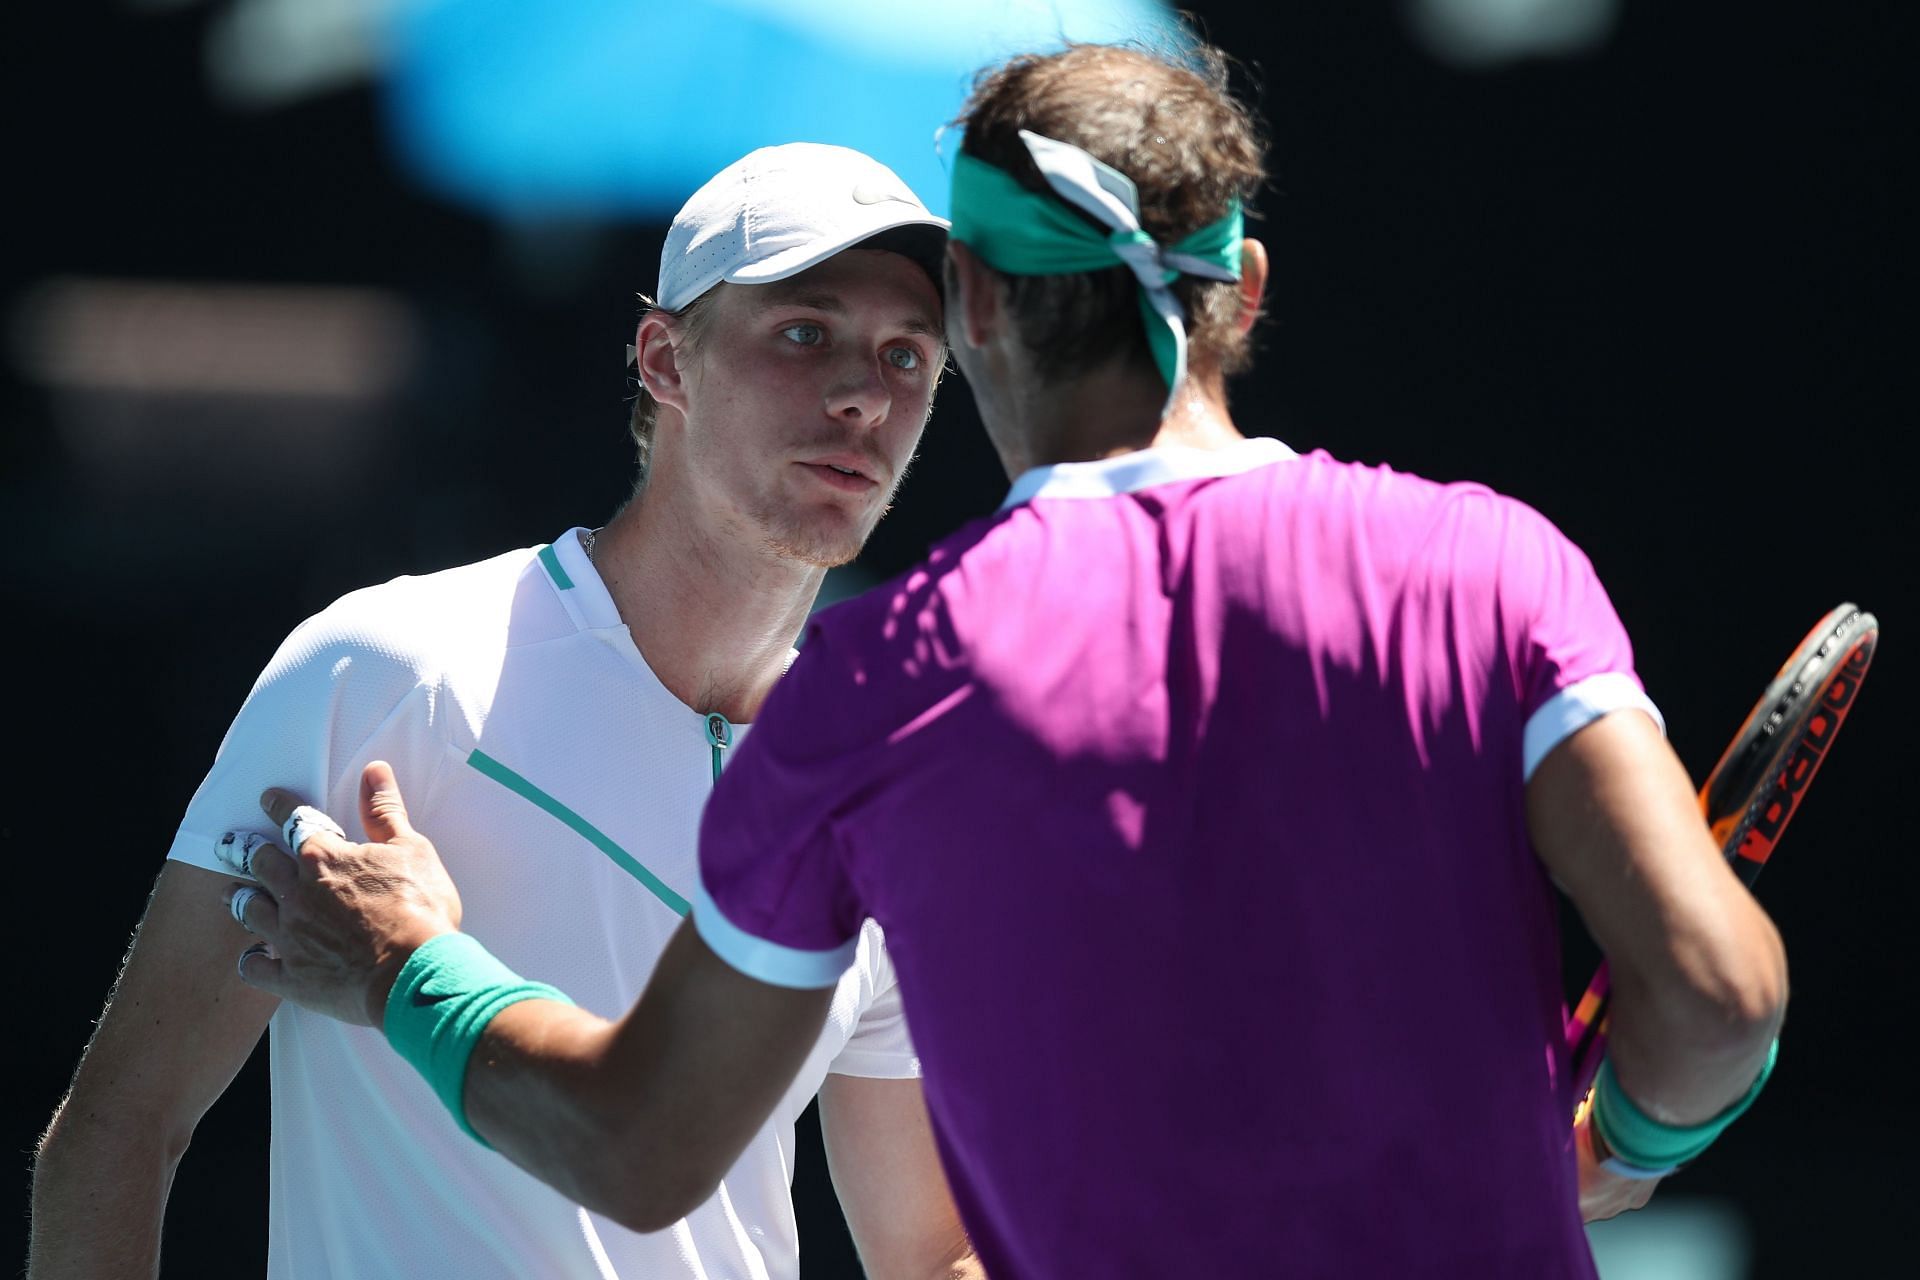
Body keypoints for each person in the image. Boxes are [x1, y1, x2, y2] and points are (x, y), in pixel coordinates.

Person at [219, 42, 1787, 1279]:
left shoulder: (874, 684)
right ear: (1242, 290)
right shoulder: (1492, 564)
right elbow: (1716, 997)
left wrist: (405, 969)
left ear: (969, 308)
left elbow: (640, 1147)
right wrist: (1625, 1141)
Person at [28, 143, 979, 1279]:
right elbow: (120, 1131)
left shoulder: (896, 794)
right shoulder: (391, 667)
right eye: (804, 332)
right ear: (666, 360)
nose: (863, 393)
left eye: (908, 355)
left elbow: (927, 1258)